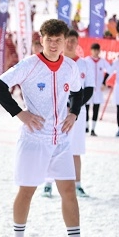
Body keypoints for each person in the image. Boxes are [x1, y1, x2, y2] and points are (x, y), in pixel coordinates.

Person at [0, 19, 100, 237]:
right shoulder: (29, 65)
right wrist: (20, 113)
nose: (53, 44)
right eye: (49, 40)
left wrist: (74, 113)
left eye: (58, 40)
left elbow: (78, 91)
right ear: (41, 40)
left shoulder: (70, 67)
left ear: (64, 42)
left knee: (69, 190)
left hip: (60, 140)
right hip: (34, 140)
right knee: (27, 191)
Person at [42, 30, 94, 198]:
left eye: (74, 41)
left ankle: (77, 184)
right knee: (54, 146)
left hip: (77, 113)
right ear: (64, 43)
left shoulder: (85, 64)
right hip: (58, 112)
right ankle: (48, 184)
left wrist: (75, 108)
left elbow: (89, 90)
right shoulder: (57, 62)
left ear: (78, 43)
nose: (71, 44)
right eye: (68, 41)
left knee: (75, 150)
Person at [84, 43, 110, 136]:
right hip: (88, 88)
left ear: (99, 51)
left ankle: (93, 129)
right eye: (94, 50)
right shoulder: (86, 60)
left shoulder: (102, 61)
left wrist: (104, 82)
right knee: (86, 108)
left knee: (96, 108)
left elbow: (110, 70)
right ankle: (86, 126)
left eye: (97, 50)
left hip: (98, 89)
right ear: (91, 50)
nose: (95, 52)